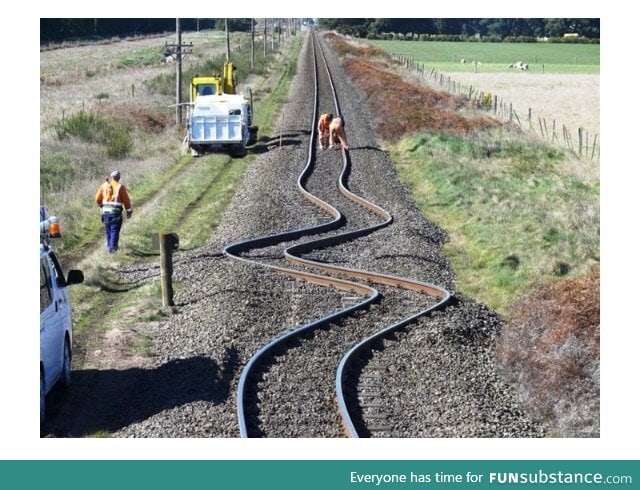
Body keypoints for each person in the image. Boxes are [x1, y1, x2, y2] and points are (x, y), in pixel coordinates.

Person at [95, 170, 132, 254]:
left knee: (108, 230)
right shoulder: (120, 187)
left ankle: (109, 247)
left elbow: (97, 199)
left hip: (105, 213)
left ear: (111, 177)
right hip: (115, 213)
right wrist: (129, 211)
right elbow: (126, 201)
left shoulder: (104, 185)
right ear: (119, 178)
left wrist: (102, 206)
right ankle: (112, 250)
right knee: (114, 230)